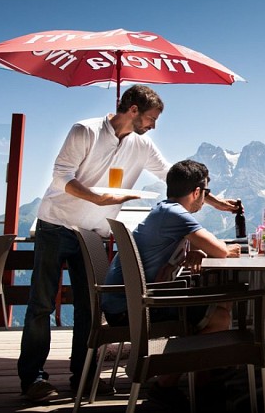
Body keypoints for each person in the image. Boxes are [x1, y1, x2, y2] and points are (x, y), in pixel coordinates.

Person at [17, 85, 237, 404]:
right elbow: (60, 176)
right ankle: (33, 379)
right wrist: (98, 197)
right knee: (41, 304)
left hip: (93, 231)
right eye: (151, 118)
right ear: (132, 110)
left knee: (88, 309)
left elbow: (172, 175)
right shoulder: (85, 131)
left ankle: (84, 375)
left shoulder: (142, 146)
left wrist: (213, 201)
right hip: (57, 223)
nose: (153, 126)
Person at [101, 160, 240, 408]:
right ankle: (167, 385)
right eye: (204, 192)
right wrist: (225, 250)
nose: (204, 198)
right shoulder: (176, 214)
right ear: (197, 192)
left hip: (125, 302)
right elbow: (221, 250)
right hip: (133, 308)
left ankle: (203, 380)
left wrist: (199, 251)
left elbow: (198, 247)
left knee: (222, 305)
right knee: (220, 318)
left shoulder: (164, 210)